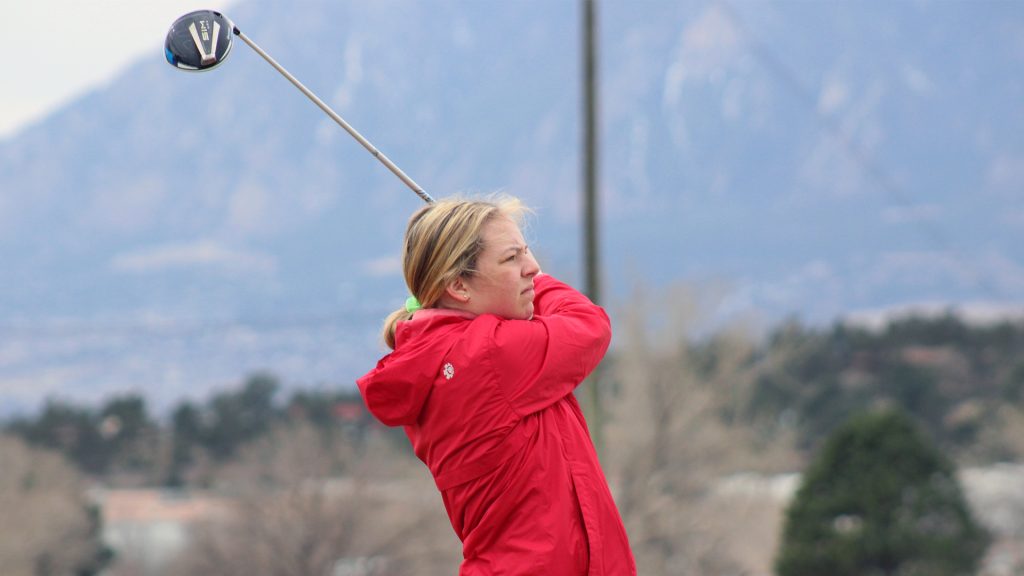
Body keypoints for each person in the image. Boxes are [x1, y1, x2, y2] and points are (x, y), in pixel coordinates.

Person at [357, 196, 635, 575]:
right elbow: (589, 326)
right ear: (458, 286)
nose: (532, 267)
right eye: (512, 259)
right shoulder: (489, 354)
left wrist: (516, 272)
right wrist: (541, 285)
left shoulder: (444, 354)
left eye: (527, 253)